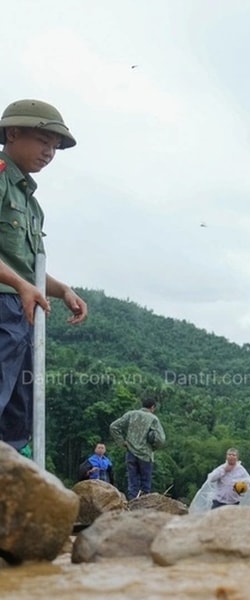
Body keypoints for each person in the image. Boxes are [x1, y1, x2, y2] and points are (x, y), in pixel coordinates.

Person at [0, 99, 88, 457]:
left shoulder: (32, 203)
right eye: (43, 140)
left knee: (17, 414)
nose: (50, 152)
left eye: (55, 146)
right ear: (13, 132)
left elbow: (25, 266)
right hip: (3, 306)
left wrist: (62, 289)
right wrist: (22, 285)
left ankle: (13, 496)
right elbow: (20, 278)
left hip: (22, 314)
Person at [109, 397, 166, 500]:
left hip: (131, 452)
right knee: (145, 484)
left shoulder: (131, 414)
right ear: (153, 407)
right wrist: (153, 447)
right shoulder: (153, 418)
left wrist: (122, 442)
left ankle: (132, 505)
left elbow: (114, 426)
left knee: (132, 482)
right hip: (145, 455)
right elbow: (160, 439)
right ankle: (144, 507)